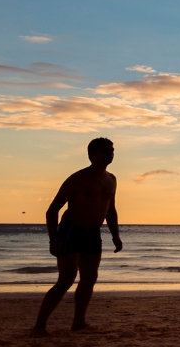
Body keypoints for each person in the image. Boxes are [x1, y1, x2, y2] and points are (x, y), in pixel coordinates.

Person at [32, 138, 122, 335]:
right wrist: (54, 239)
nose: (110, 154)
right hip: (71, 230)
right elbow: (52, 210)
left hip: (93, 232)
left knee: (89, 278)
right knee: (66, 279)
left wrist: (115, 235)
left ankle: (79, 322)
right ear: (92, 155)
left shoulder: (111, 179)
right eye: (104, 151)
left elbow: (111, 210)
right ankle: (39, 326)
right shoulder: (78, 178)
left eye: (112, 150)